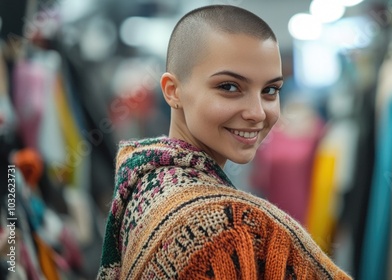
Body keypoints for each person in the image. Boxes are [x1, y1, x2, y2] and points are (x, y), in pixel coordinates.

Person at [98, 5, 351, 279]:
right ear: (173, 92)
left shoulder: (146, 180)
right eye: (229, 87)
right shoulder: (222, 229)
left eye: (270, 90)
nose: (257, 112)